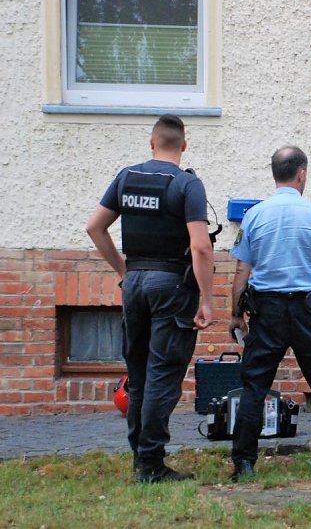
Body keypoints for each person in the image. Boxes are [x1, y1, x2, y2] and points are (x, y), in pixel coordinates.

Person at [86, 114, 214, 483]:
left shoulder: (127, 177)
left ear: (151, 142)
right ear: (184, 145)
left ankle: (140, 456)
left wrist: (123, 272)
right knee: (162, 377)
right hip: (171, 285)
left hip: (136, 284)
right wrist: (207, 300)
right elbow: (201, 247)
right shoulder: (187, 184)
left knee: (139, 375)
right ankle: (151, 464)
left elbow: (95, 227)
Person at [228, 146, 311, 480]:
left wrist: (235, 314)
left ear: (275, 174)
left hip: (266, 312)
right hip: (308, 312)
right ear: (301, 173)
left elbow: (242, 270)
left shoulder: (254, 216)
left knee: (255, 386)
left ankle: (244, 462)